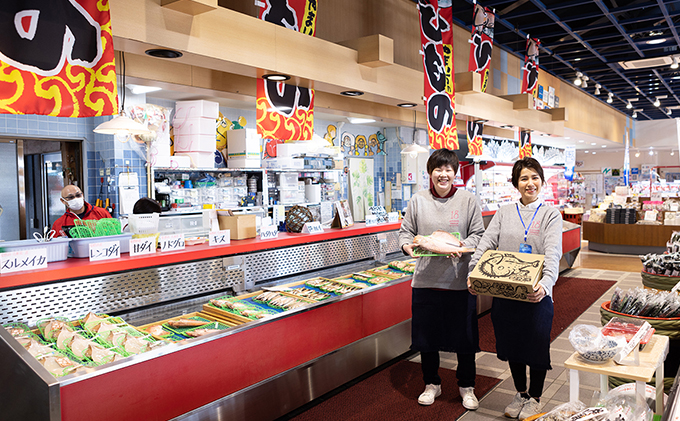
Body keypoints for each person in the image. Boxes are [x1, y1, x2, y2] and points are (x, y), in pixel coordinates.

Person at [467, 157, 562, 420]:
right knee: (511, 344)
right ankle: (520, 392)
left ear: (541, 181)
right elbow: (486, 243)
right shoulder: (504, 212)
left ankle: (535, 397)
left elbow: (553, 253)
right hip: (506, 294)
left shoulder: (550, 214)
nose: (529, 183)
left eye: (534, 177)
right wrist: (474, 272)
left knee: (536, 346)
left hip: (536, 294)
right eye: (523, 178)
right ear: (515, 183)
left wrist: (545, 284)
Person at [399, 148, 485, 410]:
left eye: (448, 169)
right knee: (427, 338)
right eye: (438, 169)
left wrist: (460, 245)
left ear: (455, 173)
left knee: (465, 338)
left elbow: (479, 235)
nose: (443, 174)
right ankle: (431, 383)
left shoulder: (469, 200)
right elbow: (405, 233)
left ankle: (467, 386)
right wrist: (407, 248)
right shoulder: (418, 200)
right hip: (425, 282)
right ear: (430, 173)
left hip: (460, 282)